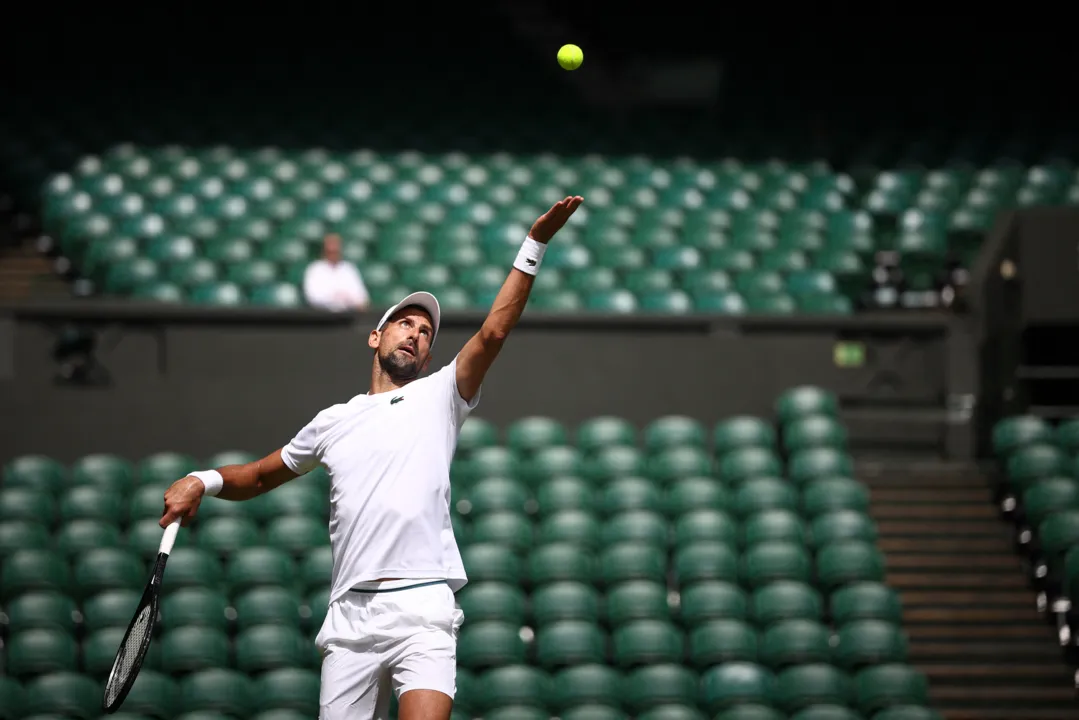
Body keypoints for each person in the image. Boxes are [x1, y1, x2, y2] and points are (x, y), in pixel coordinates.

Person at [158, 196, 584, 720]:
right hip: (351, 616)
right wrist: (202, 480)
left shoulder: (442, 394)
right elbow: (258, 475)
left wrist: (534, 243)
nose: (417, 334)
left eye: (426, 332)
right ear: (376, 336)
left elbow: (494, 332)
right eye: (406, 323)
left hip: (424, 606)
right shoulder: (333, 421)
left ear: (428, 356)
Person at [303, 233, 370, 311]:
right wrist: (337, 297)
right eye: (330, 251)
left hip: (349, 315)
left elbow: (361, 297)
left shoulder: (348, 268)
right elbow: (313, 297)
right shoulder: (315, 269)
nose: (333, 253)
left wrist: (344, 299)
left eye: (335, 251)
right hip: (322, 316)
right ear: (324, 250)